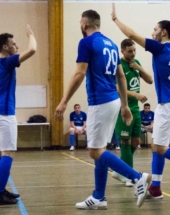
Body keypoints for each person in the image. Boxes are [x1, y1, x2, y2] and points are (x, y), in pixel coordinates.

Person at [55, 10, 151, 209]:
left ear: (84, 24)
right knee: (100, 149)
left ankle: (137, 177)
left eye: (81, 23)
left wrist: (64, 100)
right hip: (113, 101)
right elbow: (121, 77)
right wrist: (124, 105)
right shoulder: (111, 44)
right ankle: (99, 197)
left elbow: (79, 74)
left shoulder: (86, 42)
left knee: (94, 151)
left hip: (100, 101)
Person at [112, 3, 170, 199]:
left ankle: (150, 184)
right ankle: (155, 187)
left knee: (159, 147)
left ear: (163, 32)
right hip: (165, 105)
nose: (152, 33)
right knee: (157, 145)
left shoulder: (160, 48)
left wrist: (115, 20)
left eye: (154, 30)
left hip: (167, 104)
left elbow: (131, 33)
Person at [0, 25, 37, 205]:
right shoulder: (7, 62)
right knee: (8, 153)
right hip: (4, 113)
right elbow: (32, 49)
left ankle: (0, 190)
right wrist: (30, 35)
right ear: (6, 47)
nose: (16, 47)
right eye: (14, 44)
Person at [112, 39, 153, 187]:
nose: (133, 53)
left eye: (134, 50)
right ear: (122, 51)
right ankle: (128, 175)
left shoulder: (136, 63)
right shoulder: (119, 65)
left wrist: (139, 68)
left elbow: (150, 80)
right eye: (130, 51)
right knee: (125, 141)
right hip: (123, 109)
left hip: (135, 110)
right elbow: (118, 87)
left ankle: (119, 169)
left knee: (136, 142)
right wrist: (136, 95)